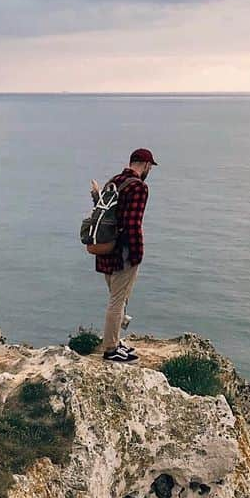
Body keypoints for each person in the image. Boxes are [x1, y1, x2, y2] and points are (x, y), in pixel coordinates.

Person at [90, 148, 157, 362]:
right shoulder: (139, 187)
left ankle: (116, 341)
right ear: (145, 165)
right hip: (123, 252)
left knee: (117, 298)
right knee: (117, 301)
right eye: (150, 167)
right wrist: (137, 253)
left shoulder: (114, 181)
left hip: (105, 247)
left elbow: (103, 212)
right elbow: (132, 223)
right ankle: (110, 349)